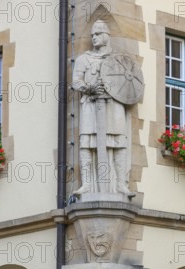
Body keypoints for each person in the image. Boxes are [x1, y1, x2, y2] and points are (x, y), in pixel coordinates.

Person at [72, 20, 133, 196]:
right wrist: (88, 88)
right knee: (86, 143)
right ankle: (87, 185)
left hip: (114, 104)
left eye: (98, 34)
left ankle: (121, 184)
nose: (94, 38)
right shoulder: (84, 58)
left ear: (106, 36)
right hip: (91, 104)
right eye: (92, 35)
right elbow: (76, 81)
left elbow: (129, 82)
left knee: (118, 142)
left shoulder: (118, 59)